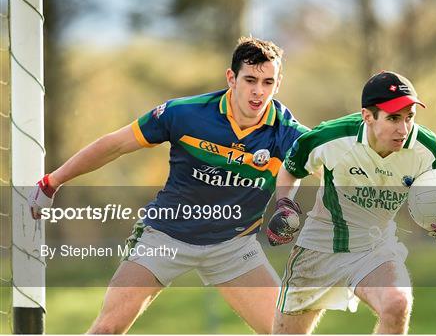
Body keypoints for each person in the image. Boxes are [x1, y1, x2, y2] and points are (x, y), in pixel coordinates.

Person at [27, 36, 308, 334]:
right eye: (250, 79)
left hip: (234, 245)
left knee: (287, 332)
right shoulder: (184, 114)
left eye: (268, 82)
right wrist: (52, 181)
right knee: (106, 329)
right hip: (166, 236)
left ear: (278, 84)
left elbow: (330, 160)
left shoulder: (287, 131)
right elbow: (115, 145)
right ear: (231, 78)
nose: (258, 91)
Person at [266, 71, 436, 334]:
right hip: (318, 248)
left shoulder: (429, 149)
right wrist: (284, 204)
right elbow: (291, 169)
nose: (403, 129)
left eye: (409, 117)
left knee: (397, 303)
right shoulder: (330, 138)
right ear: (367, 116)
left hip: (374, 246)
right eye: (393, 118)